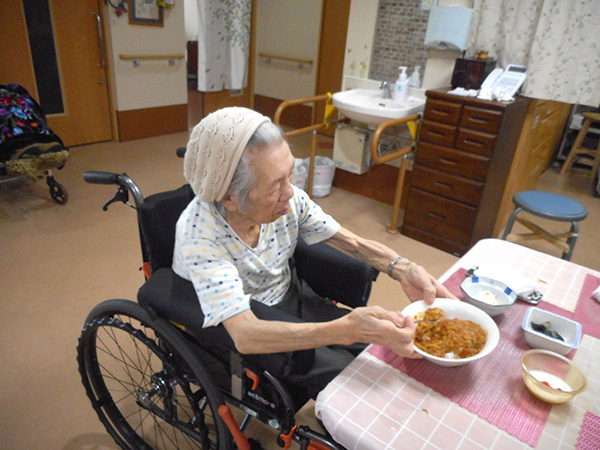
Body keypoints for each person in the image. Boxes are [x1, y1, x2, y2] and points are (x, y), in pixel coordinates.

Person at [173, 107, 454, 398]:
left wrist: (402, 268)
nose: (290, 192)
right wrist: (347, 329)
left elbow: (350, 242)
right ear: (230, 198)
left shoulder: (288, 202)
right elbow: (245, 334)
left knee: (381, 353)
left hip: (292, 297)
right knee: (361, 384)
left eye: (290, 174)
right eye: (275, 186)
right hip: (251, 324)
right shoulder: (200, 235)